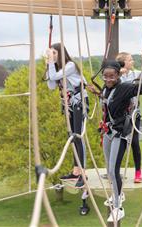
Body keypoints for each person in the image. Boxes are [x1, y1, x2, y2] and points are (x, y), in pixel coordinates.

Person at [100, 48, 142, 222]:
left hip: (120, 134)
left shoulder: (123, 87)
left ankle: (118, 207)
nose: (108, 79)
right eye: (105, 76)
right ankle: (118, 196)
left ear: (118, 76)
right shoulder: (105, 89)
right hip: (108, 132)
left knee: (114, 171)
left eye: (112, 76)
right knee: (109, 170)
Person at [45, 43, 89, 188]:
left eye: (54, 53)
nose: (52, 56)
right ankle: (76, 170)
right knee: (72, 137)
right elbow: (51, 85)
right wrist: (49, 65)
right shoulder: (57, 68)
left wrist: (51, 63)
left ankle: (83, 172)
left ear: (60, 54)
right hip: (69, 103)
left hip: (79, 100)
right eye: (51, 54)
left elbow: (55, 76)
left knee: (78, 136)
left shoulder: (70, 66)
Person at [115, 51, 142, 183]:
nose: (133, 62)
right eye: (130, 60)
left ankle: (138, 172)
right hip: (119, 117)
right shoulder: (117, 77)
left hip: (134, 114)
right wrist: (119, 73)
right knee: (118, 144)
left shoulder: (136, 74)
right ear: (123, 63)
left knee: (134, 143)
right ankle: (114, 172)